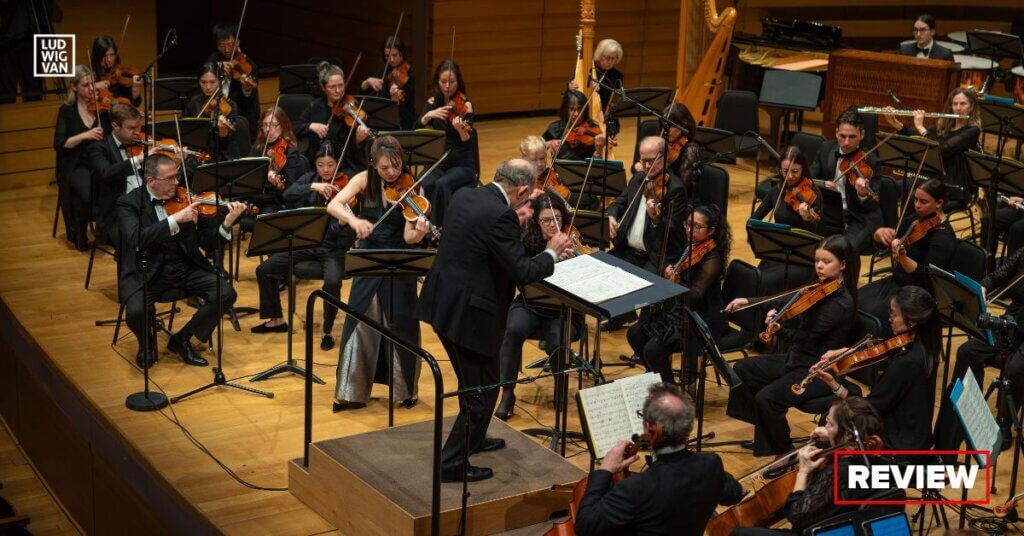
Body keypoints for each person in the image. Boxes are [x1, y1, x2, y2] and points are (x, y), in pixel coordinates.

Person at [417, 158, 571, 482]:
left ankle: (474, 437)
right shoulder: (501, 216)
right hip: (470, 315)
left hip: (443, 303)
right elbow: (523, 271)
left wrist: (512, 221)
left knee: (471, 383)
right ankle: (451, 464)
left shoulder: (465, 194)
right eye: (527, 198)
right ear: (522, 191)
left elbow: (481, 242)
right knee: (484, 391)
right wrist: (552, 252)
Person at [724, 234, 859, 457]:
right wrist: (749, 301)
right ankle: (768, 433)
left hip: (817, 371)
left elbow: (806, 337)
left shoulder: (841, 303)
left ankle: (784, 451)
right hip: (797, 358)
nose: (819, 266)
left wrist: (779, 329)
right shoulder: (818, 286)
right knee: (743, 369)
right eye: (817, 260)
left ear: (843, 264)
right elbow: (786, 300)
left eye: (826, 262)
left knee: (766, 399)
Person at [326, 136, 433, 411]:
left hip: (399, 260)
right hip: (370, 259)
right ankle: (350, 392)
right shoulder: (364, 179)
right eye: (385, 168)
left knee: (403, 324)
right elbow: (334, 204)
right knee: (359, 322)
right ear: (374, 164)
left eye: (396, 166)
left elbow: (409, 236)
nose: (392, 173)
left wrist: (419, 233)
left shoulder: (412, 186)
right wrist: (354, 220)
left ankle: (405, 390)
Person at [116, 153, 246, 368]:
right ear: (151, 181)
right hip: (147, 272)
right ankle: (146, 344)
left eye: (177, 176)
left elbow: (208, 243)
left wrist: (226, 224)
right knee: (137, 311)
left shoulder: (187, 199)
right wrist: (175, 219)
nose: (177, 182)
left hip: (185, 267)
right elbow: (136, 238)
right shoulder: (129, 203)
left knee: (225, 293)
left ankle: (182, 339)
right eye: (170, 178)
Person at [574, 383, 744, 536]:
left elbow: (585, 527)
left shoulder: (636, 488)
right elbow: (734, 494)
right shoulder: (711, 464)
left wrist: (605, 469)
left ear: (651, 428)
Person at [730, 397, 893, 536]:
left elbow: (796, 515)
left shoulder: (837, 473)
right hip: (858, 528)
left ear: (848, 434)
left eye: (830, 424)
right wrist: (832, 435)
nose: (825, 427)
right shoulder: (883, 459)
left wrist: (803, 472)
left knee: (739, 533)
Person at [252, 142, 355, 351]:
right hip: (306, 244)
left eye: (330, 165)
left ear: (338, 164)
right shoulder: (310, 179)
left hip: (332, 249)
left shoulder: (348, 187)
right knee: (265, 269)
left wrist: (343, 222)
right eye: (320, 165)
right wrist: (313, 186)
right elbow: (288, 193)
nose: (326, 170)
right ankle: (276, 319)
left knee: (333, 281)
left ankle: (327, 330)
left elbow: (345, 234)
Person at [812, 285, 941, 451]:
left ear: (912, 321)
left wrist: (835, 386)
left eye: (893, 314)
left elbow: (870, 409)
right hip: (914, 435)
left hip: (897, 445)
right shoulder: (925, 347)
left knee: (830, 420)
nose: (889, 318)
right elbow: (882, 348)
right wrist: (848, 351)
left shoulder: (906, 363)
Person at [494, 193, 582, 420]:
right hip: (530, 304)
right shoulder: (526, 241)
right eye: (546, 220)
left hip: (564, 311)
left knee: (557, 339)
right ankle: (507, 392)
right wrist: (548, 257)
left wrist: (575, 262)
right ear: (537, 222)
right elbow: (520, 274)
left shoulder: (570, 243)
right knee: (514, 329)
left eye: (557, 219)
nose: (553, 224)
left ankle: (561, 387)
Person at [934, 246, 1024, 455]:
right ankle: (967, 411)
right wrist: (983, 287)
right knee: (968, 351)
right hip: (1011, 324)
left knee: (1015, 369)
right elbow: (997, 275)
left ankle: (1003, 423)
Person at [627, 204, 731, 384]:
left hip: (699, 318)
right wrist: (670, 274)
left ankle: (670, 390)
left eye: (697, 227)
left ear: (711, 231)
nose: (690, 230)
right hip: (680, 309)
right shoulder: (691, 246)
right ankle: (656, 377)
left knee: (653, 350)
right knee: (634, 334)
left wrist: (677, 283)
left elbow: (695, 295)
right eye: (688, 224)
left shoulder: (712, 259)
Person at [859, 179, 955, 336]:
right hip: (896, 282)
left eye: (923, 201)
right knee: (856, 301)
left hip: (916, 294)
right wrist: (879, 234)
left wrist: (903, 258)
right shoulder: (915, 220)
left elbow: (927, 278)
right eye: (915, 200)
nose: (917, 205)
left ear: (939, 203)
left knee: (873, 315)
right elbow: (891, 239)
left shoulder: (943, 238)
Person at [884, 88, 981, 209]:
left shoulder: (972, 131)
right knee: (890, 187)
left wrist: (921, 127)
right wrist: (895, 123)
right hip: (933, 177)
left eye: (963, 104)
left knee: (913, 198)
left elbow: (942, 150)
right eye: (955, 104)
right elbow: (917, 137)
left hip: (953, 184)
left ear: (972, 107)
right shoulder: (944, 125)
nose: (958, 108)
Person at [86, 103, 163, 247]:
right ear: (115, 126)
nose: (137, 132)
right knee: (142, 241)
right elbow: (107, 173)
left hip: (147, 206)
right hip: (117, 214)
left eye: (139, 127)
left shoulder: (142, 144)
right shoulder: (98, 148)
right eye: (131, 128)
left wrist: (176, 161)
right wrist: (139, 159)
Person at [751, 147, 825, 295]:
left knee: (769, 282)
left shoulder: (814, 195)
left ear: (803, 170)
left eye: (795, 171)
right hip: (778, 249)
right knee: (756, 280)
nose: (790, 176)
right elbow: (754, 219)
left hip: (801, 256)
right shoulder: (777, 190)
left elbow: (817, 234)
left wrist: (807, 219)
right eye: (785, 171)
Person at [810, 110, 883, 254]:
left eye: (852, 137)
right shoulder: (826, 149)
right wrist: (823, 186)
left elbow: (873, 204)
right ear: (836, 132)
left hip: (858, 217)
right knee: (808, 243)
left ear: (862, 135)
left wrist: (863, 195)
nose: (846, 142)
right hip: (829, 212)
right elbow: (810, 179)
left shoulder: (872, 162)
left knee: (842, 251)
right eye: (842, 136)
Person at [417, 60, 477, 228]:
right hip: (438, 162)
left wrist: (460, 129)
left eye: (452, 82)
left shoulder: (465, 105)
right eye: (443, 82)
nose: (447, 86)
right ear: (437, 81)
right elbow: (416, 126)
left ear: (459, 82)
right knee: (421, 183)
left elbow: (468, 140)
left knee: (441, 185)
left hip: (462, 164)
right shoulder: (433, 102)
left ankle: (439, 229)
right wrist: (429, 115)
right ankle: (419, 228)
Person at [54, 65, 108, 251]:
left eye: (93, 83)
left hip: (100, 162)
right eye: (86, 85)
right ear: (74, 87)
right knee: (87, 192)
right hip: (76, 165)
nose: (92, 88)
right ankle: (79, 229)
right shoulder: (67, 111)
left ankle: (107, 230)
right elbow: (60, 143)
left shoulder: (102, 108)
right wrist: (86, 135)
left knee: (117, 183)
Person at [294, 61, 370, 169]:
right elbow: (295, 128)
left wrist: (358, 140)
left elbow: (354, 149)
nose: (338, 90)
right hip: (317, 164)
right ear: (323, 87)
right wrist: (311, 126)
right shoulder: (315, 106)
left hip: (345, 163)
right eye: (332, 87)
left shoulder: (351, 106)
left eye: (341, 85)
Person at [207, 23, 259, 141]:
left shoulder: (249, 65)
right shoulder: (213, 60)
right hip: (218, 117)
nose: (226, 50)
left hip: (242, 118)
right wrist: (218, 68)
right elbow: (204, 75)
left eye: (230, 45)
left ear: (238, 42)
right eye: (221, 45)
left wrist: (246, 88)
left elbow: (250, 101)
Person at [185, 62, 242, 161]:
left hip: (222, 155)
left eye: (212, 82)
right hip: (198, 153)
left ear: (220, 81)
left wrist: (222, 129)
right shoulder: (194, 102)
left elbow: (227, 142)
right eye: (203, 82)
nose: (208, 87)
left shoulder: (230, 105)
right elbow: (186, 131)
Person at [361, 35, 417, 130]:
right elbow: (363, 91)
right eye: (387, 56)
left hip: (402, 124)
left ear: (402, 53)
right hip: (382, 122)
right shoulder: (384, 71)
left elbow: (406, 106)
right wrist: (368, 81)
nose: (391, 59)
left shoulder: (408, 75)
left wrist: (394, 98)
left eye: (394, 55)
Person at [252, 106, 303, 212]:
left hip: (275, 201)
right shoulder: (259, 146)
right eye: (265, 125)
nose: (268, 130)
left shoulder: (290, 151)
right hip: (255, 197)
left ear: (284, 125)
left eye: (274, 125)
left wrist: (275, 182)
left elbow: (290, 189)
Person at [543, 89, 607, 162]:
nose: (576, 114)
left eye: (580, 109)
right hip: (560, 168)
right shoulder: (556, 128)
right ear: (565, 110)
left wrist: (599, 151)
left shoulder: (592, 127)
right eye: (572, 109)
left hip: (585, 169)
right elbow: (537, 145)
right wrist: (549, 143)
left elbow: (597, 164)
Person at [90, 35, 142, 104]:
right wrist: (94, 86)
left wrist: (135, 89)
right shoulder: (89, 75)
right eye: (104, 55)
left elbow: (134, 104)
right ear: (97, 56)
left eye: (112, 55)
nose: (108, 60)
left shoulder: (121, 76)